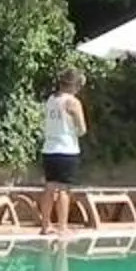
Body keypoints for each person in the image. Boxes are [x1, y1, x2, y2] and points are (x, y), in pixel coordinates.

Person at [39, 69, 88, 234]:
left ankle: (45, 226)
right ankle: (62, 226)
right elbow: (82, 129)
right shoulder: (72, 102)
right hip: (66, 149)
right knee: (64, 189)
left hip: (49, 148)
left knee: (49, 188)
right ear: (74, 85)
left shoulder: (51, 100)